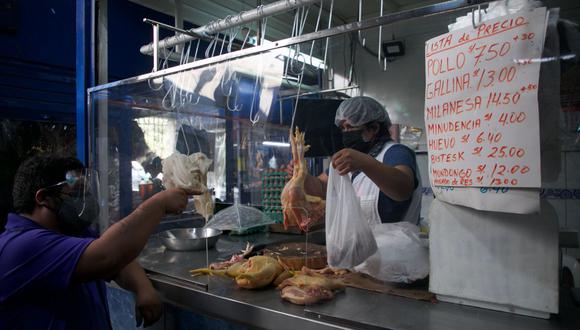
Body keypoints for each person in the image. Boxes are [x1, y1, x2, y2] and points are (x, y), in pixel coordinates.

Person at [0, 155, 198, 329]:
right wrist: (160, 204)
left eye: (86, 192)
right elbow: (107, 255)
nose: (86, 201)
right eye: (77, 193)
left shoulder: (71, 232)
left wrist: (142, 287)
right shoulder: (20, 247)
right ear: (44, 198)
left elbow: (120, 257)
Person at [288, 96, 421, 225]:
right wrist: (302, 176)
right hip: (361, 246)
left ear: (374, 128)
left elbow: (403, 188)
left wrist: (364, 162)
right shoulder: (350, 158)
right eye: (342, 128)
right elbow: (322, 188)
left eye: (350, 127)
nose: (345, 133)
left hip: (397, 246)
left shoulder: (395, 152)